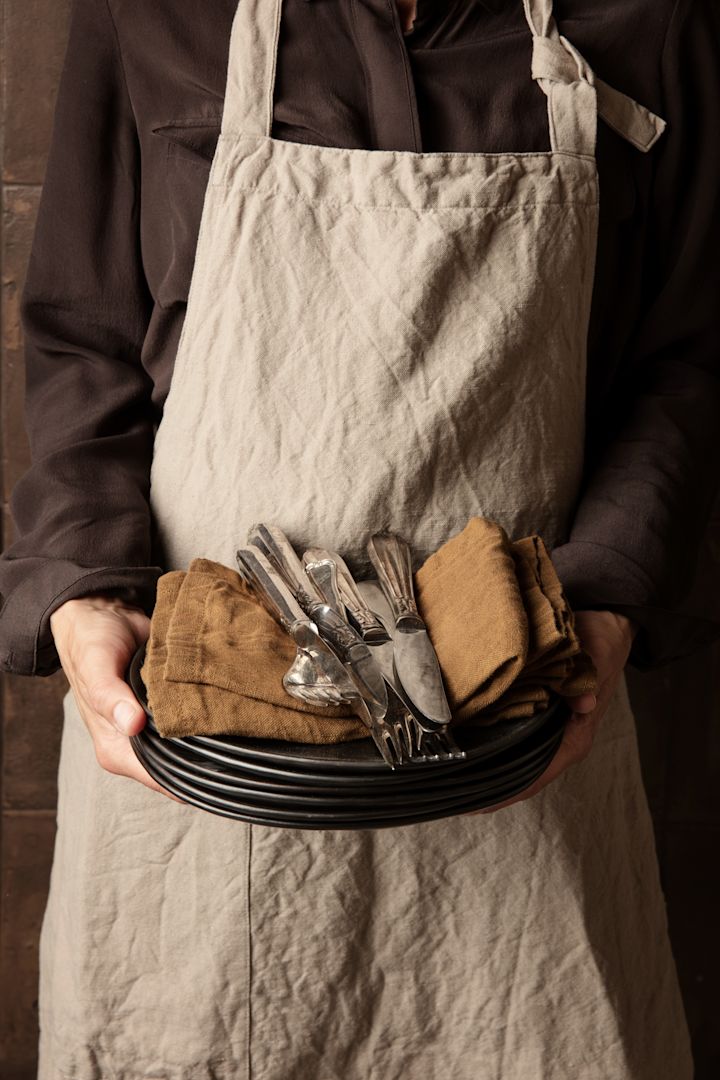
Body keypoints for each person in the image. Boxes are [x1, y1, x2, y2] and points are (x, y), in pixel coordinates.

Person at [0, 0, 717, 1076]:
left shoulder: (649, 19)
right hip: (197, 759)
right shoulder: (146, 14)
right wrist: (86, 595)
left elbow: (688, 360)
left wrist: (605, 600)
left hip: (526, 733)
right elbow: (85, 342)